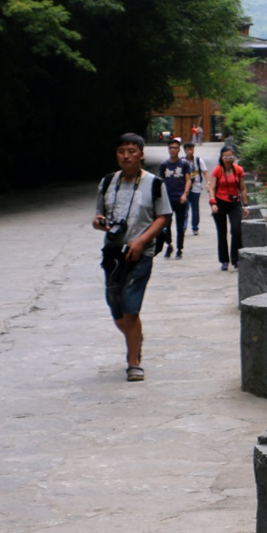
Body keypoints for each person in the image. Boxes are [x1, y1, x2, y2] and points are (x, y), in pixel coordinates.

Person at [94, 133, 170, 381]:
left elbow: (163, 217)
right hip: (113, 253)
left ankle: (133, 361)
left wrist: (140, 241)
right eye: (121, 151)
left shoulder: (154, 183)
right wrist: (99, 222)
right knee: (115, 308)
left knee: (130, 307)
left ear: (141, 154)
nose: (126, 156)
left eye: (131, 151)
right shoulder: (107, 182)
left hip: (140, 252)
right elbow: (99, 214)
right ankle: (135, 338)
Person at [211, 142, 247, 271]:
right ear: (221, 158)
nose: (228, 160)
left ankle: (236, 259)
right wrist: (213, 203)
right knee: (222, 232)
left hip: (234, 202)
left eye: (231, 157)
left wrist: (245, 205)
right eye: (226, 157)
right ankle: (224, 260)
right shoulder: (217, 170)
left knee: (236, 230)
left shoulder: (238, 170)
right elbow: (212, 187)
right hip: (220, 202)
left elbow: (242, 188)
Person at [158, 137, 193, 259]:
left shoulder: (184, 164)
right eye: (171, 148)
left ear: (179, 150)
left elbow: (188, 180)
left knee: (179, 225)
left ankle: (179, 249)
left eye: (175, 148)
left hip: (180, 198)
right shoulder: (164, 164)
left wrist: (185, 194)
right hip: (167, 199)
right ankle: (169, 245)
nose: (173, 150)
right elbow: (160, 181)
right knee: (166, 224)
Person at [182, 139, 206, 236]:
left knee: (195, 208)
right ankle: (183, 227)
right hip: (185, 188)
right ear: (184, 150)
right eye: (187, 149)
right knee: (185, 208)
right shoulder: (182, 161)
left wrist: (208, 183)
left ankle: (195, 227)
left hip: (196, 187)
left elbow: (205, 172)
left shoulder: (198, 160)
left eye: (191, 149)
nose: (190, 151)